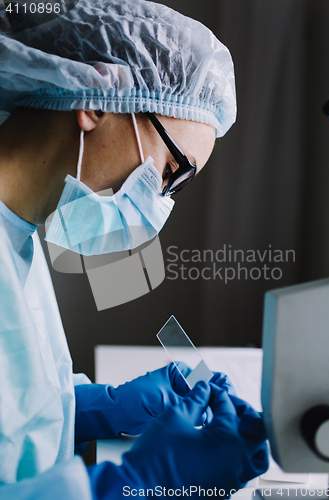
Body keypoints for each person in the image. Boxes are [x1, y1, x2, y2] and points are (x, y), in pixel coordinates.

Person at [0, 0, 269, 498]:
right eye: (171, 172)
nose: (159, 204)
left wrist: (98, 405)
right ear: (98, 100)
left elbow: (11, 415)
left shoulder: (16, 234)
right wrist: (142, 482)